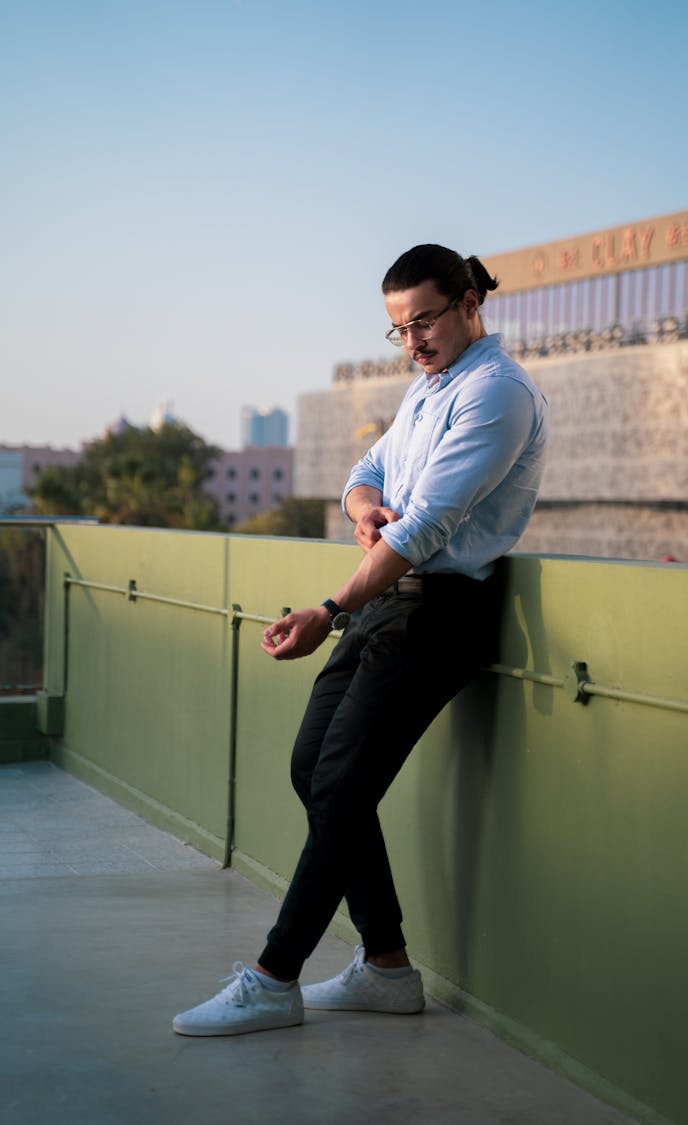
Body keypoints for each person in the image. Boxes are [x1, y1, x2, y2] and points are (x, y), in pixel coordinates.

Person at [172, 243, 549, 1037]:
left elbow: (428, 529)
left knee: (342, 785)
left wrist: (327, 608)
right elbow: (367, 470)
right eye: (399, 330)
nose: (412, 342)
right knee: (312, 768)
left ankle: (276, 978)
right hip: (389, 600)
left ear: (470, 305)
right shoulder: (427, 392)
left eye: (424, 321)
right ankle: (385, 965)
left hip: (440, 609)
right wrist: (360, 507)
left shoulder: (499, 394)